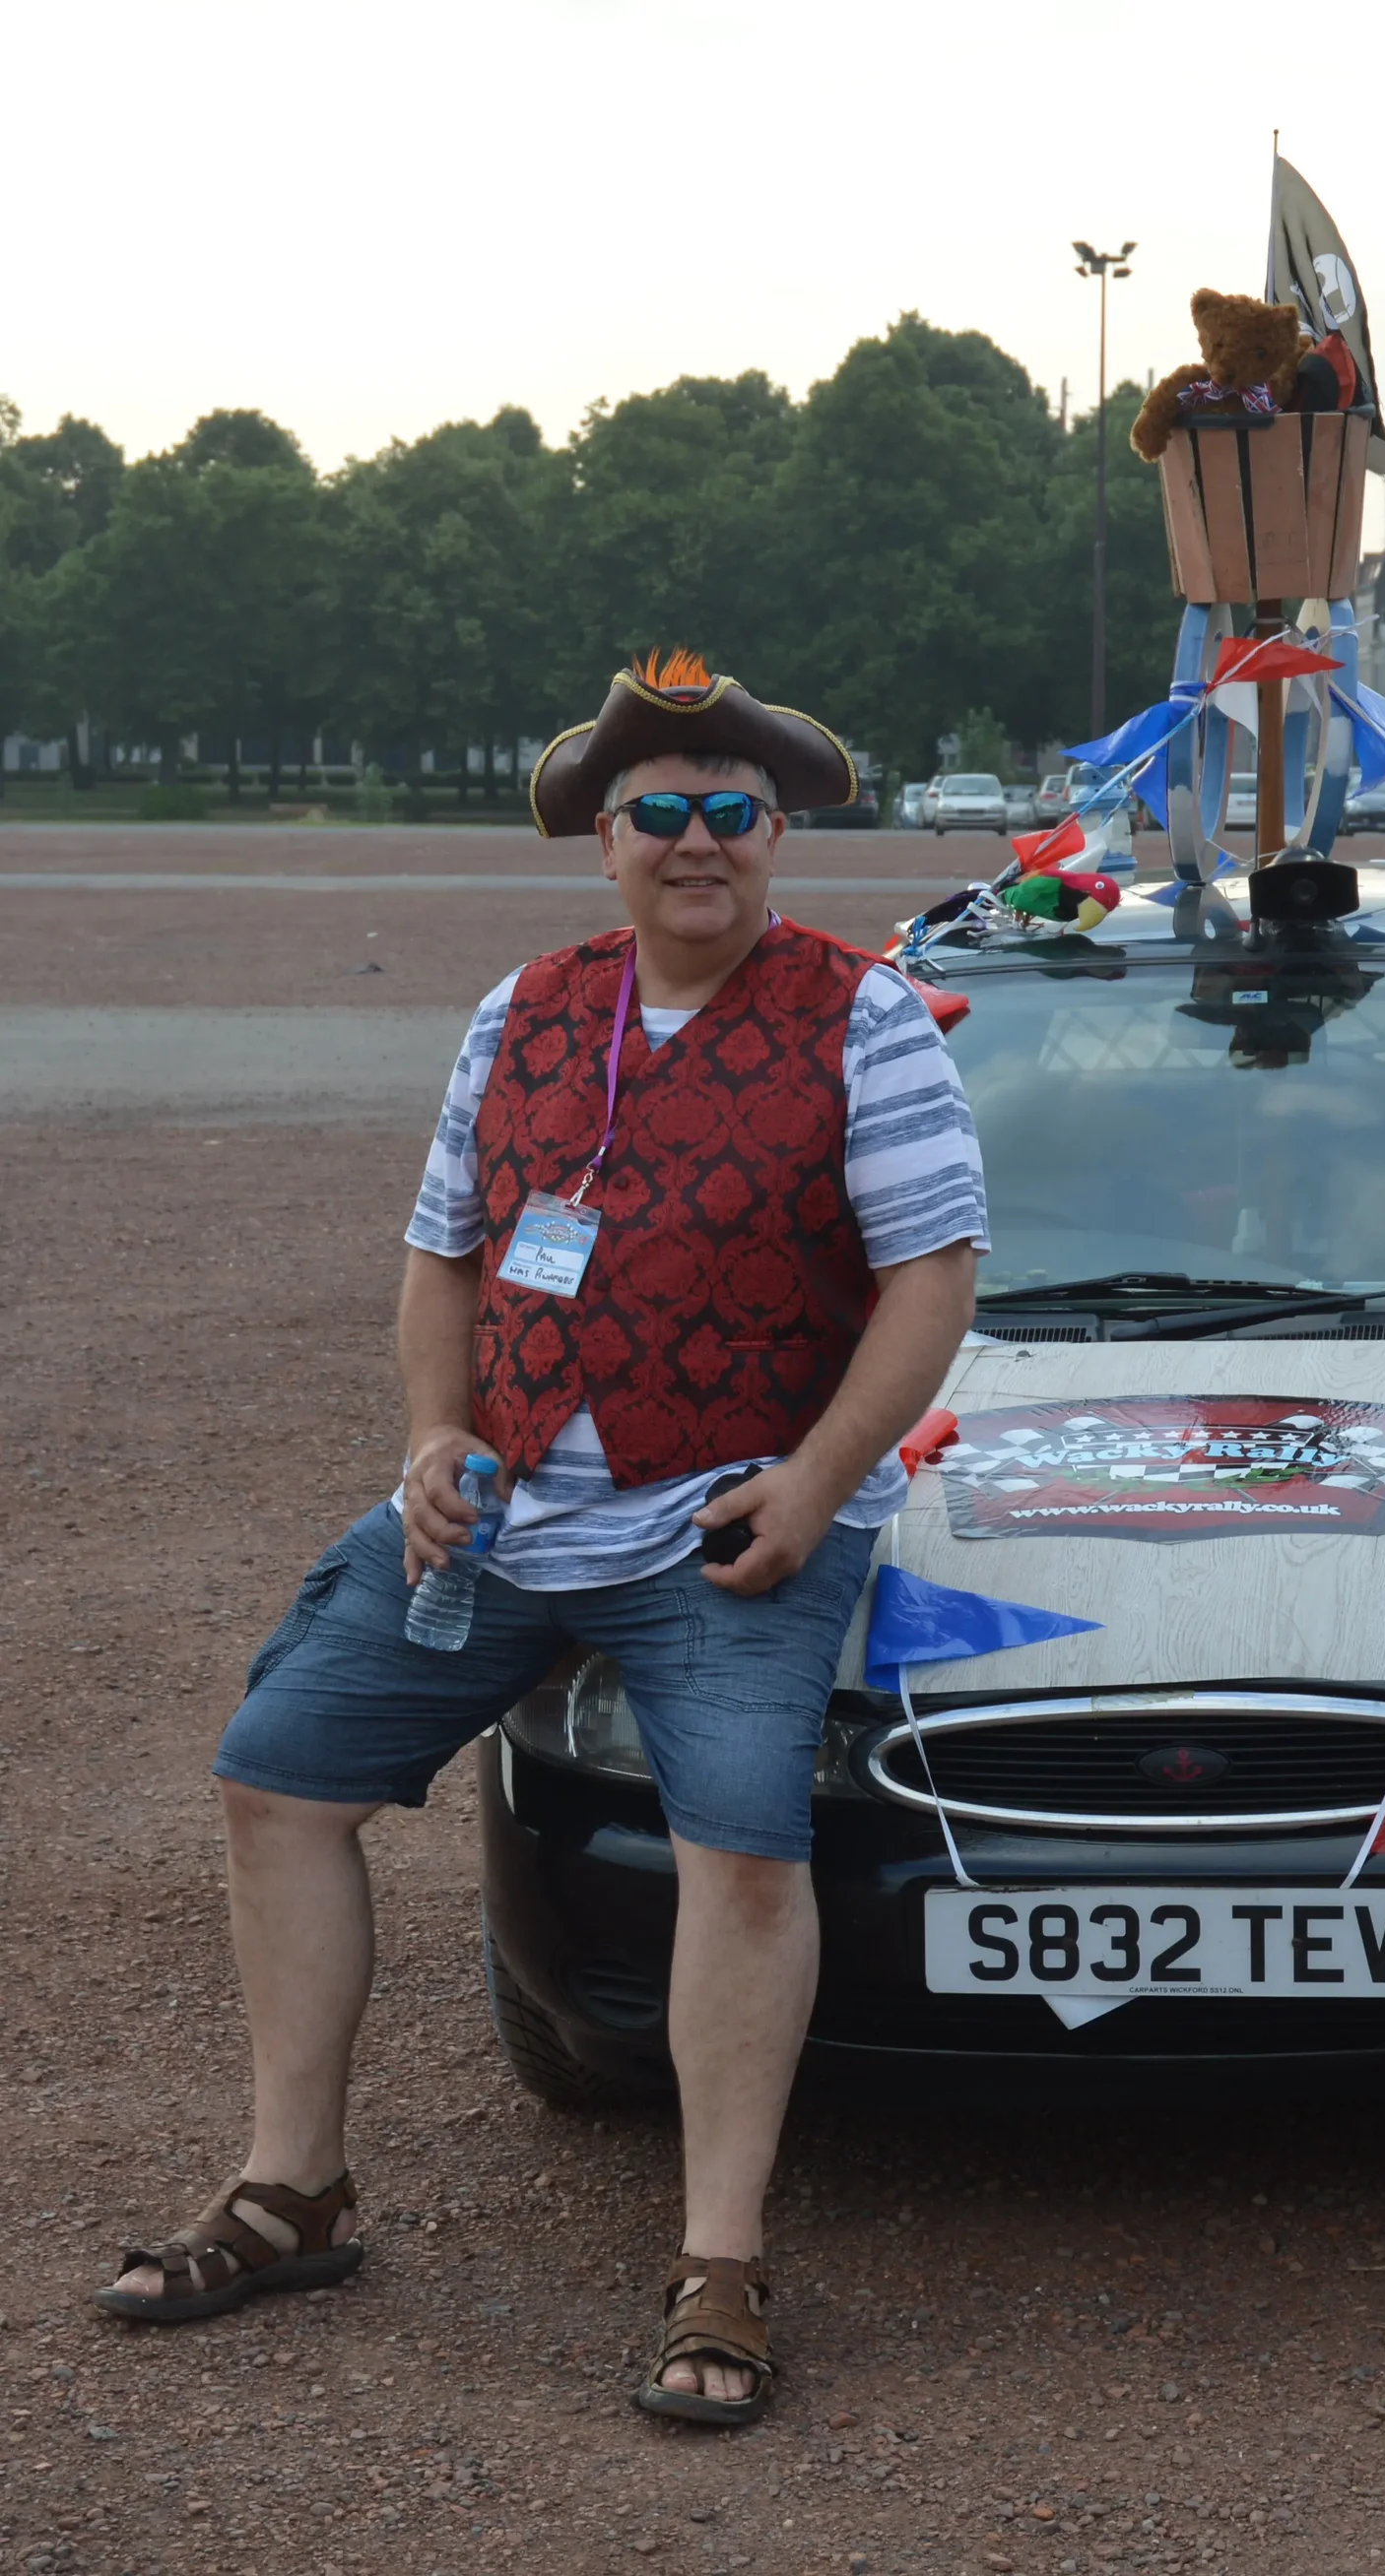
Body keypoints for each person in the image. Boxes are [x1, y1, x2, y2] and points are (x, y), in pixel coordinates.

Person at [98, 653, 986, 2424]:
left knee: (740, 1849)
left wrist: (813, 1483)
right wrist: (434, 1436)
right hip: (509, 1505)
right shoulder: (519, 1013)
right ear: (602, 842)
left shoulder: (863, 1016)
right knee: (276, 1778)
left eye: (732, 809)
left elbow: (932, 1275)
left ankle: (720, 2263)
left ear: (779, 833)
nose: (695, 841)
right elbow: (441, 1258)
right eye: (656, 811)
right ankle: (294, 2187)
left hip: (728, 1513)